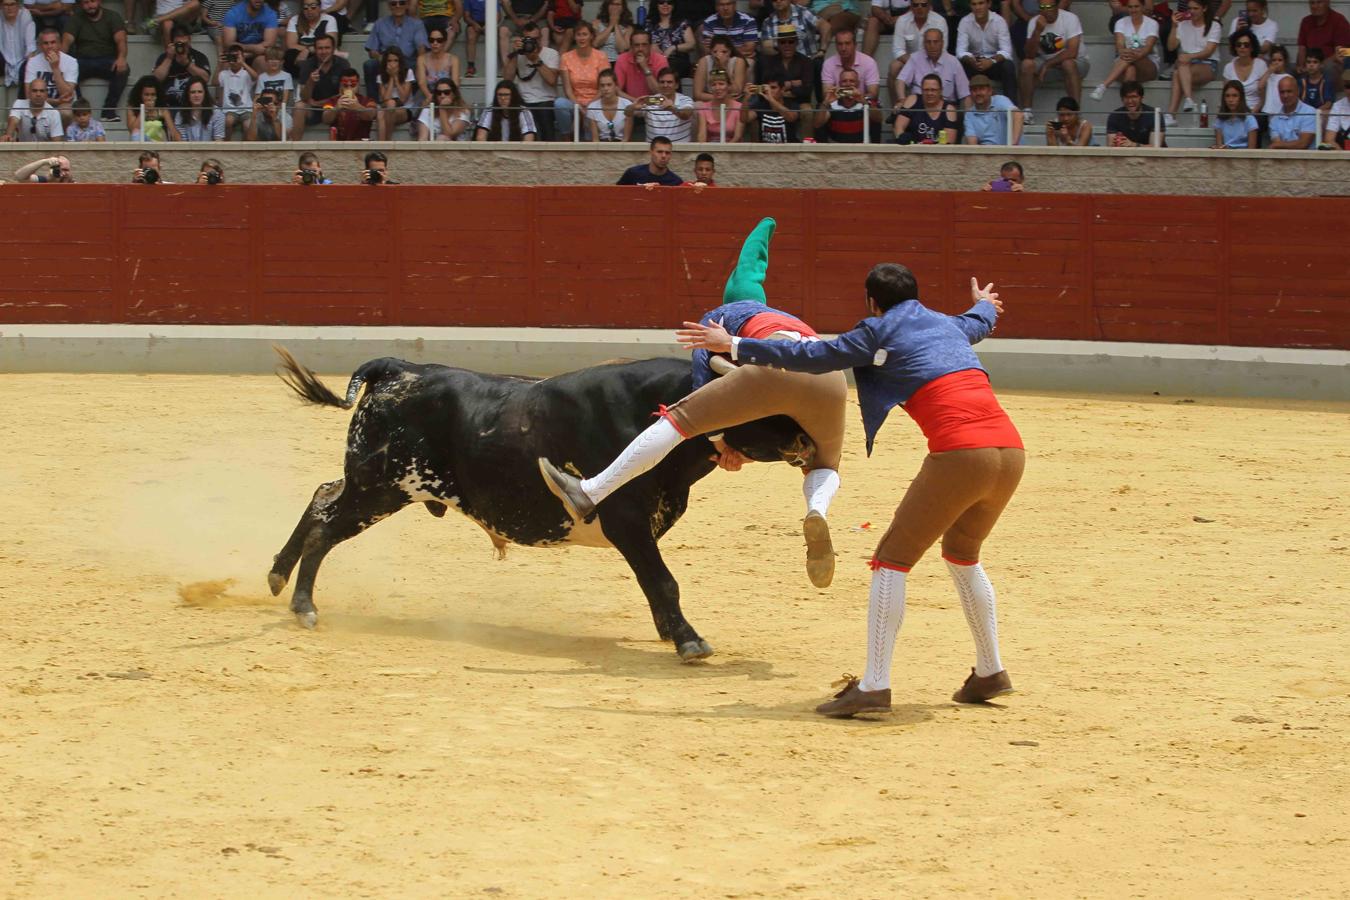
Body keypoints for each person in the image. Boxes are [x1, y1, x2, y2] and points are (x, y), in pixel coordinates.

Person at [677, 266, 1022, 718]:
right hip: (1011, 452)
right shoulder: (944, 323)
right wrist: (985, 305)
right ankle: (990, 672)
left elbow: (812, 355)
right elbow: (976, 323)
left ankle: (875, 686)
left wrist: (735, 345)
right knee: (962, 554)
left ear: (872, 303)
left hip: (961, 455)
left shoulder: (874, 331)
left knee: (890, 563)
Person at [541, 219, 847, 590]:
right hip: (830, 378)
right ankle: (817, 510)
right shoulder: (787, 318)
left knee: (676, 420)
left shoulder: (718, 320)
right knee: (825, 465)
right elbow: (752, 264)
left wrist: (720, 445)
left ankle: (589, 491)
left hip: (772, 366)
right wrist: (765, 228)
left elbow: (703, 382)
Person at [1018, 0, 1086, 121]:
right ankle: (1027, 112)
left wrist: (1048, 64)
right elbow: (1029, 54)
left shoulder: (1070, 18)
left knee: (1067, 64)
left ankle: (1075, 113)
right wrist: (1037, 31)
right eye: (1042, 7)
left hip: (1076, 63)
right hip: (1047, 63)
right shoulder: (1035, 22)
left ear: (1056, 6)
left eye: (1049, 6)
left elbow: (1072, 52)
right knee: (1026, 65)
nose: (1046, 10)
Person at [61, 0, 127, 123]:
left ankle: (108, 111)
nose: (89, 6)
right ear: (81, 4)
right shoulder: (76, 18)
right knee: (66, 71)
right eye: (85, 2)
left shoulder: (113, 16)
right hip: (82, 60)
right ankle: (80, 111)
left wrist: (121, 57)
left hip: (107, 60)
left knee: (124, 69)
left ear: (99, 1)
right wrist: (60, 62)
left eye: (92, 1)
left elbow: (121, 40)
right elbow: (66, 41)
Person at [1163, 0, 1219, 126]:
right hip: (1187, 64)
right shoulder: (1183, 24)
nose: (1192, 11)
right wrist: (1174, 26)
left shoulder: (1214, 25)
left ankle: (1172, 113)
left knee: (1180, 67)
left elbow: (1209, 51)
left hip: (1208, 64)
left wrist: (1189, 57)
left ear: (1204, 8)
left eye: (1195, 8)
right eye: (1190, 9)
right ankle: (1188, 100)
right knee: (1179, 70)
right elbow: (1171, 47)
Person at [1091, 0, 1159, 101]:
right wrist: (1123, 51)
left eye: (1136, 6)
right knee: (1130, 70)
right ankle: (1130, 104)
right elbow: (1119, 45)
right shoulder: (1120, 22)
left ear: (1143, 7)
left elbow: (1148, 48)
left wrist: (1133, 53)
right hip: (1125, 62)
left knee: (1131, 55)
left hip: (1147, 65)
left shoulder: (1152, 23)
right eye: (1130, 7)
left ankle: (1103, 86)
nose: (1133, 10)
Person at [503, 21, 558, 140]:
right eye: (529, 39)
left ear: (541, 38)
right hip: (523, 101)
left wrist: (536, 60)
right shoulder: (518, 55)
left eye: (536, 39)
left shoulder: (551, 54)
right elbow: (507, 80)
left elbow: (552, 80)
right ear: (523, 39)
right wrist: (515, 54)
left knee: (545, 125)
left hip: (545, 100)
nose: (533, 42)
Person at [290, 32, 348, 139]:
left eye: (327, 48)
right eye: (320, 48)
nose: (324, 51)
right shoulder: (307, 65)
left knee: (343, 106)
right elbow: (304, 97)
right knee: (299, 107)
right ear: (315, 50)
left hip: (334, 106)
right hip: (313, 109)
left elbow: (343, 94)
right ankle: (294, 147)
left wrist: (318, 103)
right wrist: (310, 82)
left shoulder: (343, 64)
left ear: (333, 49)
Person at [556, 20, 608, 138]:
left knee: (589, 130)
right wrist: (578, 106)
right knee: (559, 103)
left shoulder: (601, 56)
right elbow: (567, 90)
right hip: (574, 100)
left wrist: (589, 105)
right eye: (578, 35)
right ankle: (566, 136)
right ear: (574, 37)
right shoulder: (566, 57)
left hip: (596, 101)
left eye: (585, 34)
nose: (581, 38)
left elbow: (603, 87)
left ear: (591, 36)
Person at [363, 0, 424, 99]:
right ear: (388, 6)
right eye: (393, 3)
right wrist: (381, 58)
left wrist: (420, 64)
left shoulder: (417, 24)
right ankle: (373, 103)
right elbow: (372, 50)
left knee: (420, 66)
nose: (398, 6)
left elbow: (421, 49)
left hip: (407, 61)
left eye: (402, 3)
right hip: (385, 60)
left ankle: (414, 106)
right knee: (369, 65)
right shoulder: (380, 23)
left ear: (407, 5)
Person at [955, 0, 1012, 101]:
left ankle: (1011, 108)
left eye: (981, 3)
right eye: (974, 4)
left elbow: (1007, 50)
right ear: (970, 6)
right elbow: (960, 51)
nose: (977, 7)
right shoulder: (965, 22)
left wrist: (991, 61)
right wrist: (971, 60)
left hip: (994, 63)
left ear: (989, 4)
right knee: (958, 64)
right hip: (974, 63)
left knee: (1008, 66)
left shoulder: (999, 21)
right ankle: (964, 107)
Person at [897, 25, 969, 105]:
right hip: (919, 104)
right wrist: (902, 100)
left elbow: (965, 93)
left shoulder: (953, 62)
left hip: (945, 106)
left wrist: (968, 116)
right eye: (928, 42)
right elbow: (901, 80)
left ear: (942, 43)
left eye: (936, 42)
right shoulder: (915, 58)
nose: (932, 45)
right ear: (924, 44)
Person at [813, 66, 883, 141]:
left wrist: (864, 102)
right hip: (836, 147)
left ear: (858, 83)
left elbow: (878, 119)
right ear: (839, 83)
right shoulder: (832, 103)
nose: (848, 84)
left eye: (852, 81)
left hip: (862, 148)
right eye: (844, 81)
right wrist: (826, 102)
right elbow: (817, 124)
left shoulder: (866, 101)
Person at [152, 24, 212, 110]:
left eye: (185, 44)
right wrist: (169, 58)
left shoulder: (199, 56)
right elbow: (156, 79)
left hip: (193, 105)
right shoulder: (164, 57)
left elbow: (205, 78)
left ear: (190, 40)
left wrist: (187, 63)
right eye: (178, 44)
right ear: (172, 43)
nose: (182, 47)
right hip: (169, 105)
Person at [24, 27, 77, 121]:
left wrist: (55, 68)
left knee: (66, 112)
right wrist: (56, 101)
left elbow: (67, 94)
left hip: (63, 104)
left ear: (59, 44)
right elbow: (29, 95)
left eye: (53, 42)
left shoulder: (71, 62)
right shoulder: (32, 62)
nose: (49, 46)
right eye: (45, 43)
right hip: (39, 104)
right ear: (40, 46)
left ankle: (61, 136)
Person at [893, 71, 956, 142]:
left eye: (933, 90)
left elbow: (949, 141)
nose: (929, 93)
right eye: (926, 90)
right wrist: (902, 139)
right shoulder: (913, 100)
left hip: (938, 151)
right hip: (912, 149)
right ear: (921, 90)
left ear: (941, 91)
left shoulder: (949, 109)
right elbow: (898, 126)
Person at [634, 67, 694, 140]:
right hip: (655, 149)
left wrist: (672, 109)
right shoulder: (651, 100)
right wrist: (632, 107)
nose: (665, 85)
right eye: (662, 82)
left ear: (676, 85)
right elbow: (627, 113)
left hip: (680, 149)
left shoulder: (685, 100)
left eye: (669, 82)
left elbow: (686, 115)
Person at [1297, 0, 1350, 84]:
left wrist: (1319, 65)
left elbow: (1345, 51)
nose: (1315, 6)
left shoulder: (1339, 20)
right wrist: (1301, 65)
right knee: (1289, 69)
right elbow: (1302, 48)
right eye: (1312, 3)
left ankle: (1328, 95)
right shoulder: (1306, 21)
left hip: (1332, 65)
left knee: (1328, 67)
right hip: (1311, 63)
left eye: (1319, 2)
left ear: (1327, 2)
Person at [822, 28, 880, 100]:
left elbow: (873, 94)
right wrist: (853, 94)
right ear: (836, 46)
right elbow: (826, 94)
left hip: (863, 104)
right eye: (840, 44)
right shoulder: (828, 63)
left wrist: (859, 97)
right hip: (837, 104)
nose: (843, 48)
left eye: (847, 43)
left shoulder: (869, 62)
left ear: (855, 45)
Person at [285, 0, 338, 77]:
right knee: (290, 54)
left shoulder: (329, 19)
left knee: (324, 54)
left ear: (320, 7)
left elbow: (332, 43)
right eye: (305, 8)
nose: (309, 10)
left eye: (313, 7)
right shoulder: (294, 20)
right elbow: (291, 44)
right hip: (300, 54)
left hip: (320, 52)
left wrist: (308, 50)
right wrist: (305, 50)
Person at [963, 72, 1020, 144]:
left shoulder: (1000, 100)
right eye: (974, 90)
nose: (978, 93)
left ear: (990, 91)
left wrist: (1013, 145)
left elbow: (1018, 115)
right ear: (970, 93)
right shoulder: (969, 115)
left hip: (1012, 152)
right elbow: (972, 143)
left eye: (981, 89)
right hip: (987, 153)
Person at [613, 25, 666, 100]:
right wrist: (636, 101)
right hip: (630, 103)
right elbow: (616, 90)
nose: (640, 49)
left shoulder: (660, 60)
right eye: (637, 45)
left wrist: (645, 68)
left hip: (655, 102)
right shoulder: (622, 59)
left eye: (644, 45)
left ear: (650, 46)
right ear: (631, 46)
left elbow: (661, 92)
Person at [222, 0, 280, 69]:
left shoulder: (270, 14)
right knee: (225, 64)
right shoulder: (233, 13)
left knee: (264, 63)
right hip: (238, 52)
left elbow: (270, 44)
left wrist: (249, 54)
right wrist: (252, 48)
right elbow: (228, 44)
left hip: (260, 54)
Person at [1106, 78, 1164, 147]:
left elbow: (1155, 148)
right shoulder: (1115, 116)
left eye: (1134, 97)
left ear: (1141, 98)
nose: (1130, 101)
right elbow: (1111, 146)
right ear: (1122, 99)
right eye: (1126, 97)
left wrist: (1133, 145)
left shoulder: (1154, 115)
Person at [322, 66, 376, 138]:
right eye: (345, 85)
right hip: (338, 144)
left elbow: (371, 115)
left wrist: (358, 107)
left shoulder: (368, 100)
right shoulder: (332, 100)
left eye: (353, 85)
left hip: (361, 144)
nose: (349, 87)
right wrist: (336, 108)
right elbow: (326, 119)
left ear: (358, 84)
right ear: (340, 84)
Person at [214, 43, 255, 138]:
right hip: (229, 109)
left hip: (246, 109)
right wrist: (219, 65)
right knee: (228, 121)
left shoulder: (246, 73)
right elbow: (215, 82)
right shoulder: (224, 74)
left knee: (248, 125)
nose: (234, 59)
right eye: (232, 56)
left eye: (236, 56)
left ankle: (246, 148)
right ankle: (227, 146)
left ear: (243, 57)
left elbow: (256, 77)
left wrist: (243, 63)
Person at [374, 45, 415, 139]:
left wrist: (396, 78)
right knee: (382, 112)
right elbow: (385, 99)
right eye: (389, 61)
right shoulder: (381, 76)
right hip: (388, 108)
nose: (392, 64)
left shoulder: (408, 72)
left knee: (391, 104)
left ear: (400, 62)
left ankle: (387, 142)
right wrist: (391, 78)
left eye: (395, 61)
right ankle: (382, 146)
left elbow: (403, 99)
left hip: (404, 109)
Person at [741, 76, 799, 141]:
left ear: (782, 90)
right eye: (767, 88)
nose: (769, 91)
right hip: (766, 149)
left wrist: (771, 99)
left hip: (789, 148)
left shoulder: (791, 104)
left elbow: (791, 118)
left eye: (773, 88)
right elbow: (744, 119)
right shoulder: (761, 105)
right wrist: (746, 99)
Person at [1267, 72, 1317, 147]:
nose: (1285, 95)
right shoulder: (1274, 120)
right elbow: (1277, 147)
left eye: (1289, 91)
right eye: (1282, 92)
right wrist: (1279, 145)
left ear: (1297, 91)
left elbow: (1303, 144)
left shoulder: (1310, 112)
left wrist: (1279, 145)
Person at [692, 34, 747, 102]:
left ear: (730, 51)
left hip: (732, 101)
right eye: (715, 52)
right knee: (698, 104)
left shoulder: (738, 61)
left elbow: (737, 90)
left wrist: (724, 68)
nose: (719, 55)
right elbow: (697, 94)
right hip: (710, 99)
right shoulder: (704, 61)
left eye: (724, 52)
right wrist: (719, 99)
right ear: (711, 51)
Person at [649, 0, 695, 81]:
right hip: (655, 60)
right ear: (656, 5)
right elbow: (642, 42)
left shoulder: (682, 23)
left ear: (674, 5)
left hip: (678, 60)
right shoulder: (649, 24)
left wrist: (673, 48)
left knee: (670, 68)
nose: (665, 5)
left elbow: (691, 44)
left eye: (669, 2)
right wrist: (651, 47)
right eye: (661, 2)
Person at [126, 73, 179, 140]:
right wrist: (144, 111)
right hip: (140, 145)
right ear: (140, 95)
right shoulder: (132, 108)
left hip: (159, 146)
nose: (149, 98)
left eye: (153, 95)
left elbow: (173, 132)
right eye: (146, 95)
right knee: (136, 134)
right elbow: (133, 131)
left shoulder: (162, 110)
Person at [694, 68, 742, 141]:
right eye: (714, 85)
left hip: (732, 149)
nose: (717, 88)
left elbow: (737, 137)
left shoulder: (739, 107)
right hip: (710, 148)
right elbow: (702, 135)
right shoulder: (704, 107)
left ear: (728, 86)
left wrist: (724, 151)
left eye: (721, 84)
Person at [418, 22, 461, 102]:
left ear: (445, 41)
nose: (435, 43)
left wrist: (446, 98)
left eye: (439, 40)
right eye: (431, 40)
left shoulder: (453, 59)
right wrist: (431, 98)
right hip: (427, 96)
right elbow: (422, 82)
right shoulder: (422, 59)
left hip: (448, 96)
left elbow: (455, 83)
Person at [585, 67, 632, 140]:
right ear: (599, 87)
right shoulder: (592, 107)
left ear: (616, 86)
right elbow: (595, 140)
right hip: (600, 146)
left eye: (609, 85)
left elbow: (626, 139)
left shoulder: (627, 105)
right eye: (602, 85)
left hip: (622, 147)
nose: (605, 88)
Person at [1, 0, 38, 93]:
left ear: (18, 5)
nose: (9, 8)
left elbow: (30, 47)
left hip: (22, 59)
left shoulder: (25, 16)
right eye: (6, 4)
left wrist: (30, 67)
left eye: (12, 4)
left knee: (26, 70)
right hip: (3, 59)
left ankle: (22, 103)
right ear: (1, 6)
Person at [616, 134, 682, 184]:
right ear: (651, 152)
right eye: (659, 152)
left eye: (667, 153)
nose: (663, 156)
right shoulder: (633, 174)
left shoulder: (675, 182)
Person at [175, 74, 224, 139]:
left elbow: (219, 142)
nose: (196, 95)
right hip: (187, 149)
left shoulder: (217, 113)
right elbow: (182, 143)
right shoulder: (180, 115)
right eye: (193, 92)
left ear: (205, 94)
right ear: (188, 95)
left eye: (200, 92)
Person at [1213, 78, 1258, 147]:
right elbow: (1219, 146)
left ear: (1241, 98)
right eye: (1227, 96)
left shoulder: (1250, 119)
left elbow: (1251, 150)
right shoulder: (1220, 119)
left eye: (1235, 96)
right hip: (1225, 155)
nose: (1230, 100)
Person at [593, 0, 632, 64]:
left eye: (618, 4)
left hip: (619, 63)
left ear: (623, 8)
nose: (614, 7)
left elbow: (621, 49)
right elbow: (596, 44)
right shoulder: (596, 23)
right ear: (607, 6)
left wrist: (616, 24)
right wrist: (611, 25)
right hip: (600, 61)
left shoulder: (628, 28)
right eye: (612, 4)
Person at [1323, 72, 1350, 147]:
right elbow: (1329, 139)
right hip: (1343, 151)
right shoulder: (1338, 106)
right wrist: (1344, 156)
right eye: (1348, 87)